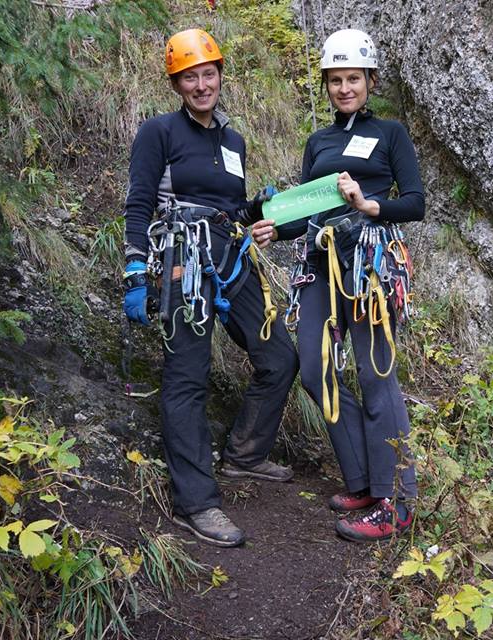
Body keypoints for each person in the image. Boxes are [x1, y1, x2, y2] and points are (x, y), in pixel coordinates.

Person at [122, 28, 299, 548]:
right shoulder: (160, 132)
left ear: (221, 74)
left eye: (208, 74)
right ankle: (195, 501)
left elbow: (230, 208)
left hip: (229, 251)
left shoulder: (233, 140)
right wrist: (136, 271)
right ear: (177, 83)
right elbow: (138, 204)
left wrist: (260, 208)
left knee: (278, 357)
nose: (201, 85)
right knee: (187, 375)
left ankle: (245, 454)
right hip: (182, 256)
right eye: (189, 77)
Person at [251, 29, 425, 541]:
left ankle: (397, 501)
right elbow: (308, 208)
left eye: (353, 78)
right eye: (335, 80)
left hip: (369, 259)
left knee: (375, 376)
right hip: (320, 261)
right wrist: (274, 228)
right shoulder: (319, 142)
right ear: (326, 84)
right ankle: (366, 482)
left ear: (370, 80)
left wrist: (370, 205)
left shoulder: (391, 134)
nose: (344, 88)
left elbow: (414, 202)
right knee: (314, 368)